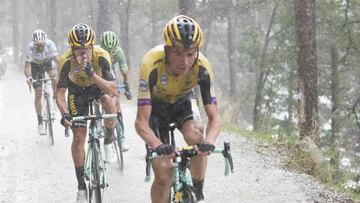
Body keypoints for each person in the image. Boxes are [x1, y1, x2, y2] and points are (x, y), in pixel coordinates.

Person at [134, 15, 220, 203]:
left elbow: (214, 118)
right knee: (164, 174)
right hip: (156, 107)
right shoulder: (151, 64)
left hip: (183, 100)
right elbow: (141, 123)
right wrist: (158, 146)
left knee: (197, 136)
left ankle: (197, 191)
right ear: (167, 50)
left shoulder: (203, 66)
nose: (185, 62)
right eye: (178, 53)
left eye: (190, 54)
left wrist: (209, 142)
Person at [55, 23, 118, 202]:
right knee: (78, 137)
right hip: (77, 92)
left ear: (92, 47)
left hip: (98, 86)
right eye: (78, 50)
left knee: (108, 102)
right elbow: (59, 94)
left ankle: (108, 139)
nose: (83, 54)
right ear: (72, 50)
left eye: (86, 49)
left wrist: (93, 75)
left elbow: (113, 89)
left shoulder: (102, 56)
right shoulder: (66, 61)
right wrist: (64, 113)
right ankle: (81, 186)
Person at [99, 31, 132, 151]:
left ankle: (121, 137)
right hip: (99, 70)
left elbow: (124, 71)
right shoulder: (97, 52)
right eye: (107, 51)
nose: (110, 54)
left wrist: (127, 87)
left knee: (116, 104)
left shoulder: (119, 52)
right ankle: (98, 118)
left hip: (110, 72)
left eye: (112, 51)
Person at [23, 29, 58, 135]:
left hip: (47, 62)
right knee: (38, 93)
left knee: (54, 76)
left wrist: (63, 71)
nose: (40, 47)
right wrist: (29, 77)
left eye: (42, 45)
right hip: (35, 66)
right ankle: (40, 123)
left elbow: (57, 60)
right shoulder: (30, 48)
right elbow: (27, 66)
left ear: (45, 42)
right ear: (34, 44)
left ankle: (55, 100)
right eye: (37, 45)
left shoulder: (51, 45)